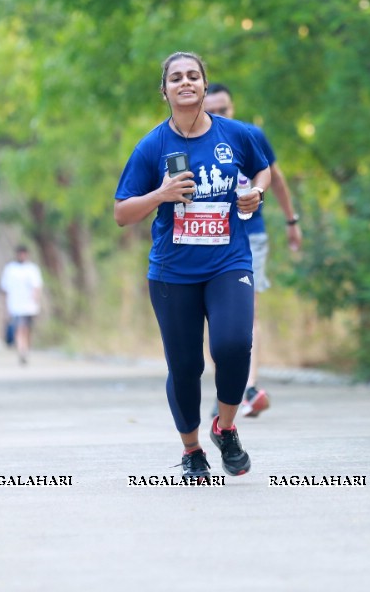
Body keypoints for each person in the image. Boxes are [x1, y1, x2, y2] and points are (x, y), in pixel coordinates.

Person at [114, 51, 271, 481]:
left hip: (228, 261)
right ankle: (192, 450)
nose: (186, 83)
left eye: (194, 76)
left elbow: (264, 172)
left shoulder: (237, 135)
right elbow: (122, 212)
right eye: (177, 78)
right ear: (164, 90)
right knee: (185, 366)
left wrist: (256, 194)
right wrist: (160, 195)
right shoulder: (152, 146)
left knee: (234, 345)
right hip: (172, 273)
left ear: (205, 86)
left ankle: (226, 426)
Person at [203, 83, 303, 418]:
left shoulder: (249, 136)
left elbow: (276, 178)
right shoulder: (191, 140)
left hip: (250, 235)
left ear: (233, 108)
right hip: (211, 237)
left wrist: (292, 221)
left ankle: (247, 387)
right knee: (215, 317)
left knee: (249, 311)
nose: (218, 115)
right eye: (211, 110)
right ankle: (227, 386)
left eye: (224, 109)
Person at [0, 246, 44, 365]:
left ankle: (26, 348)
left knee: (27, 329)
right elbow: (5, 289)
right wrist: (5, 307)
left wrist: (36, 300)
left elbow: (37, 287)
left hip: (29, 305)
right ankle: (21, 351)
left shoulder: (32, 269)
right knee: (19, 328)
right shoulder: (10, 269)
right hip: (15, 305)